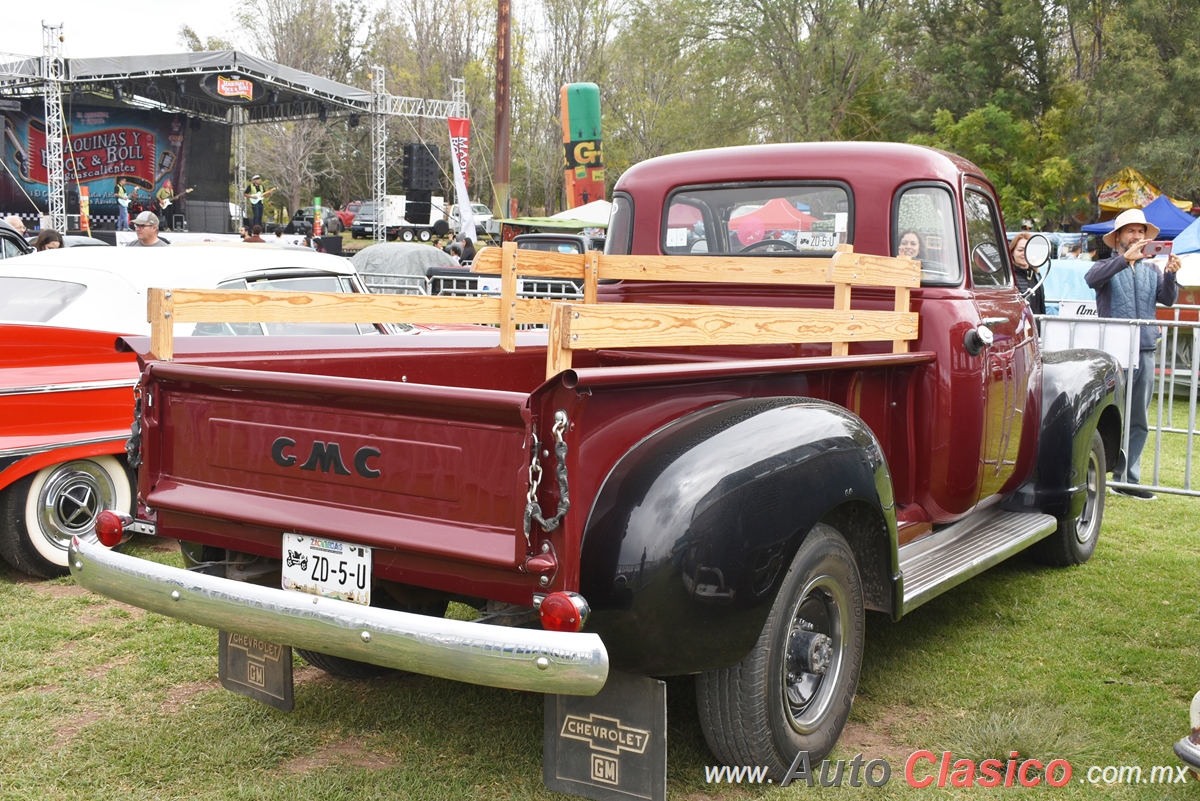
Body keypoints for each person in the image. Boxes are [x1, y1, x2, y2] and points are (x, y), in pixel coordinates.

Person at [1085, 207, 1181, 499]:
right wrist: (1124, 262)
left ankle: (1128, 479)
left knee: (1138, 417)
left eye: (1141, 231)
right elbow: (1091, 280)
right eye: (1131, 231)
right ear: (1119, 238)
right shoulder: (1106, 266)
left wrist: (1171, 275)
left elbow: (1167, 299)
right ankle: (1096, 473)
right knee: (1107, 414)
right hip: (1115, 354)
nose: (1137, 236)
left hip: (1146, 349)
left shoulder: (1152, 269)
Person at [1009, 232, 1046, 315]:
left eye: (1028, 250)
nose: (1024, 253)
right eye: (1020, 250)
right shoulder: (1009, 278)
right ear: (1012, 252)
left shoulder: (1036, 275)